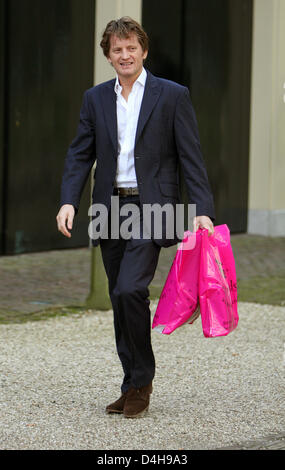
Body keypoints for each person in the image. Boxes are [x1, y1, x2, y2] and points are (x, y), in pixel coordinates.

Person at [56, 17, 215, 418]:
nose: (124, 55)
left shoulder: (172, 95)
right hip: (110, 208)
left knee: (130, 289)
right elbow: (80, 153)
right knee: (118, 297)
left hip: (153, 207)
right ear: (108, 56)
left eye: (131, 47)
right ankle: (130, 383)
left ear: (143, 50)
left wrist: (202, 212)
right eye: (116, 49)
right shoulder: (94, 99)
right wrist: (68, 201)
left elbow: (191, 158)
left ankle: (142, 381)